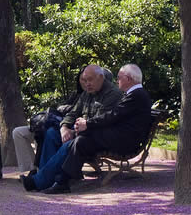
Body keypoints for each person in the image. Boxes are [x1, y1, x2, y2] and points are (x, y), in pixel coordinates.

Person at [20, 63, 152, 193]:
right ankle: (47, 178)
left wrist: (83, 126)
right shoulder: (132, 94)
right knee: (52, 133)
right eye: (85, 80)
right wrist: (65, 127)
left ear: (128, 78)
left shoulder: (131, 95)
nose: (86, 83)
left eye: (119, 77)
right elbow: (75, 112)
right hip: (106, 133)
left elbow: (111, 117)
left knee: (79, 141)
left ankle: (45, 181)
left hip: (121, 140)